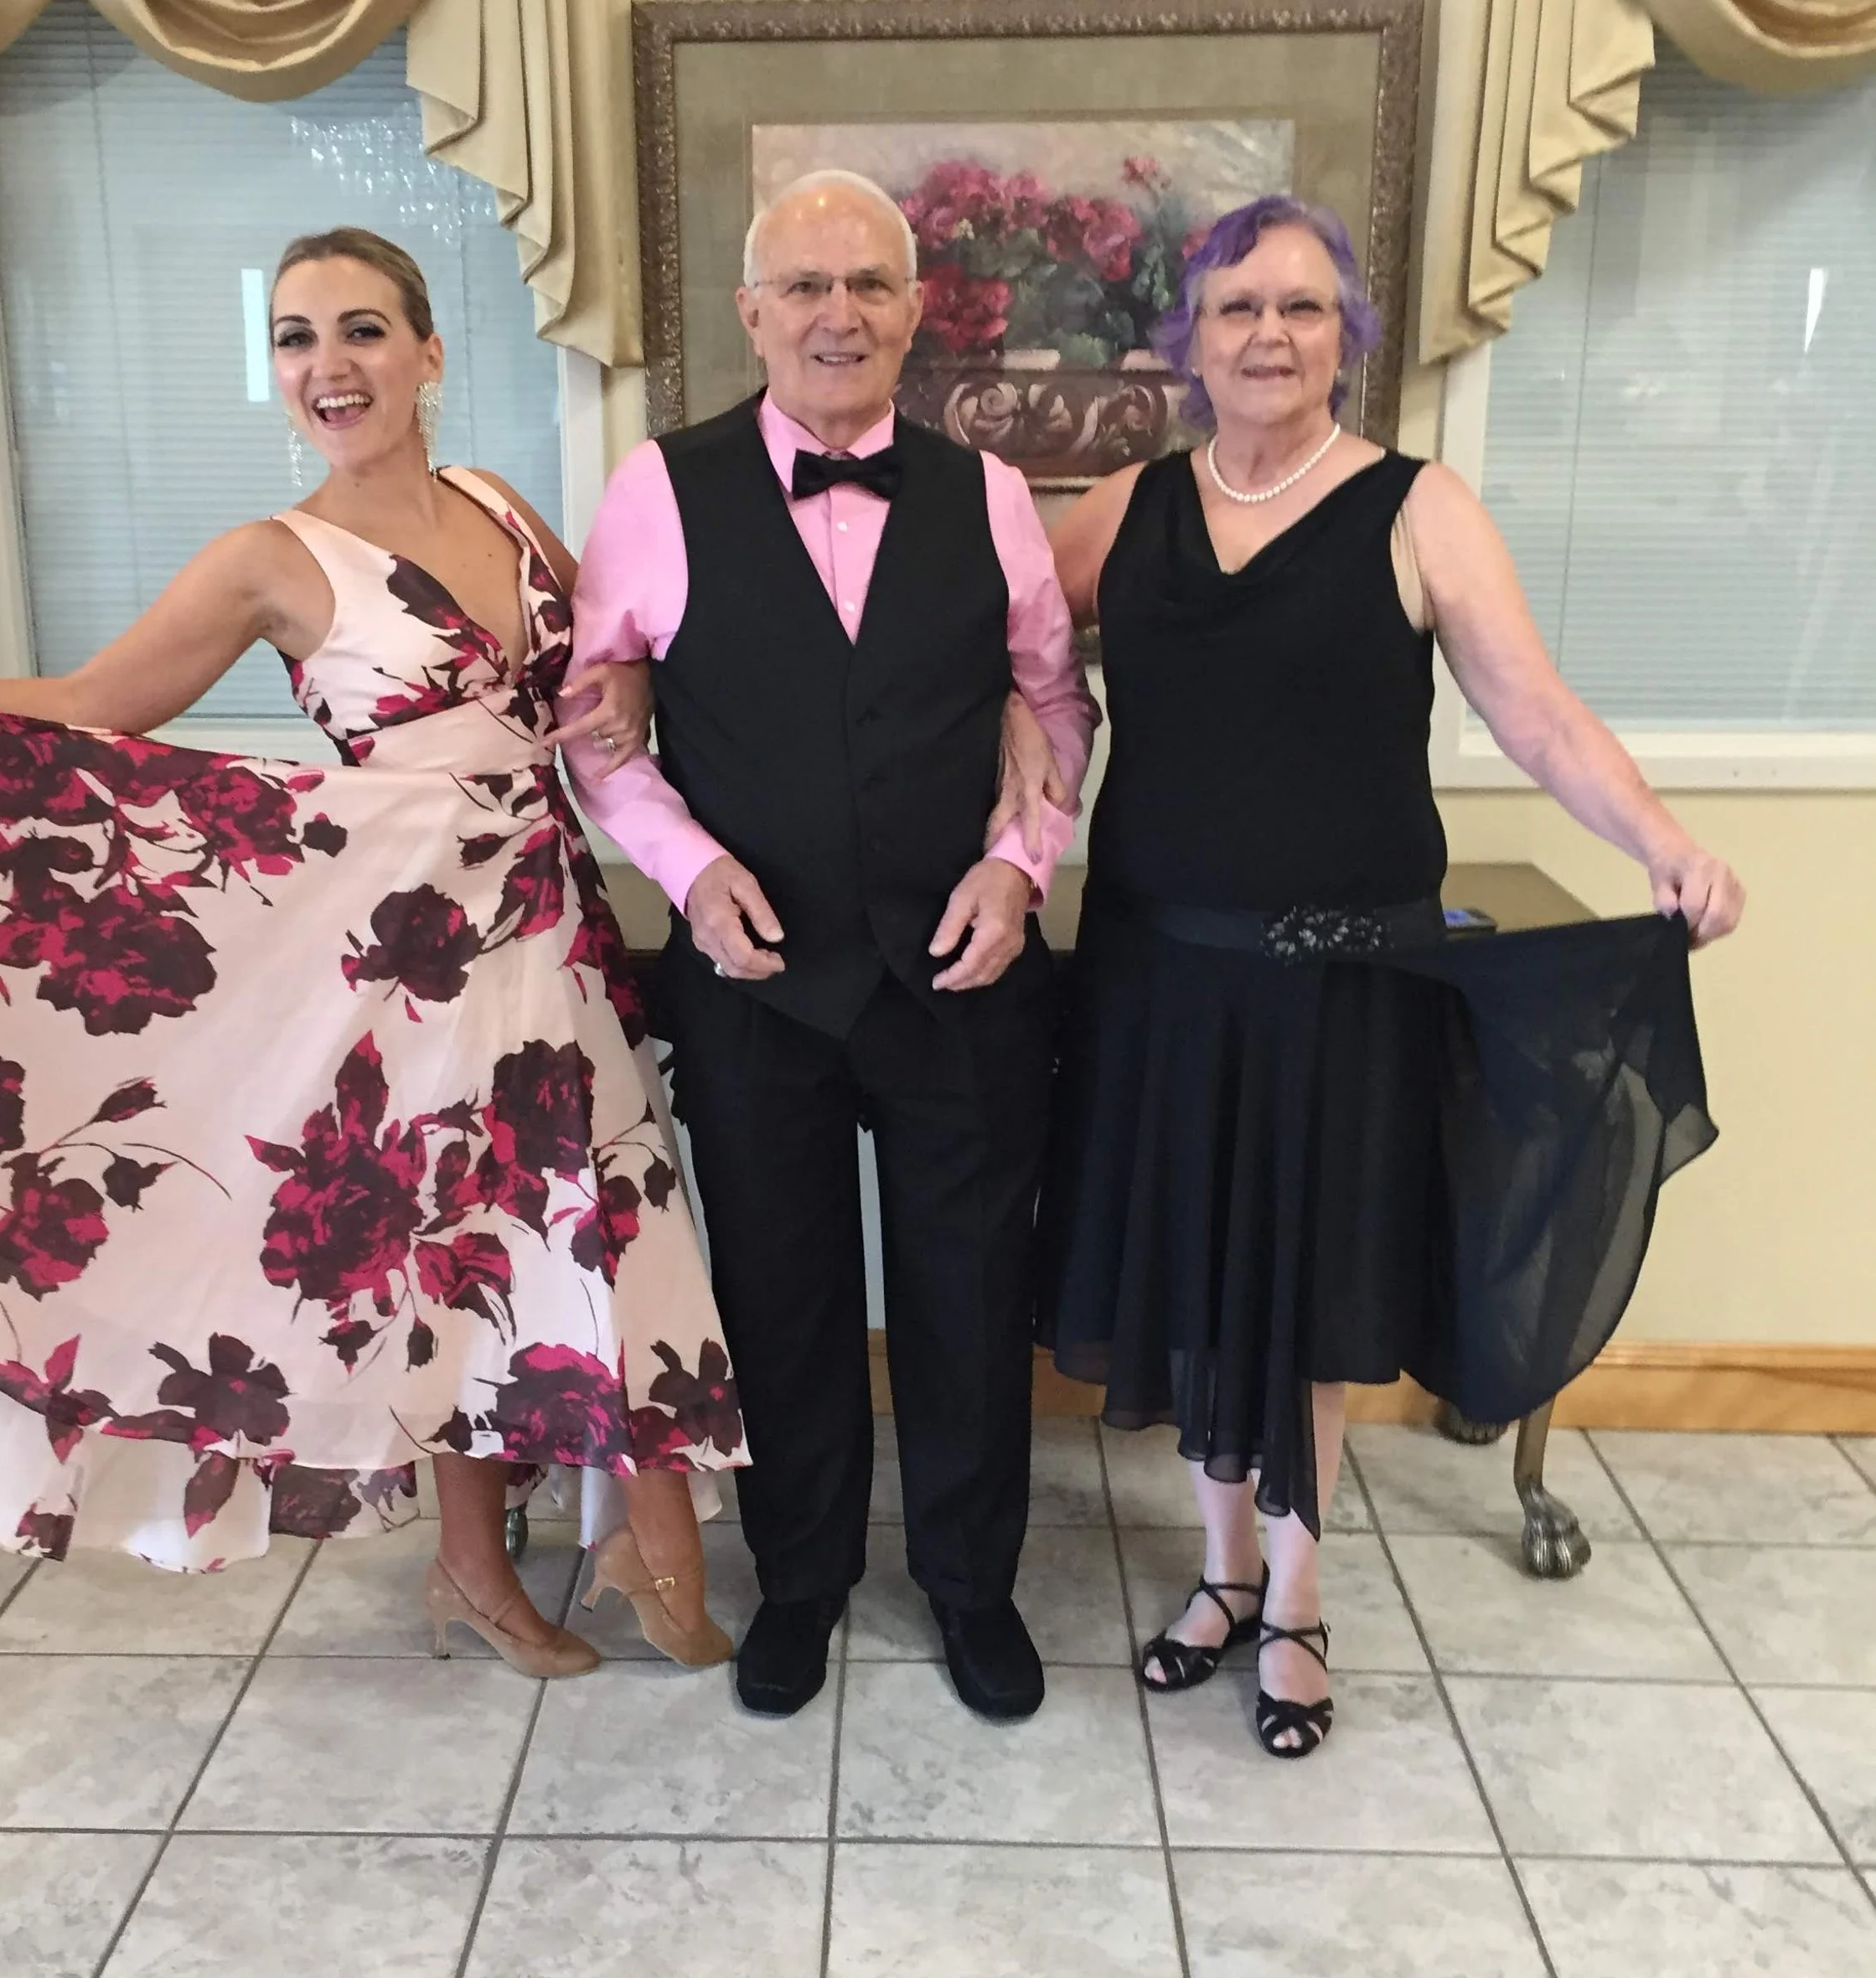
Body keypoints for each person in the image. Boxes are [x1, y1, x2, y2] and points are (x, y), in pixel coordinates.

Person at [0, 225, 742, 1676]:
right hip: (412, 966)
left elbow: (612, 661)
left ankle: (618, 1529)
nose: (328, 365)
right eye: (296, 338)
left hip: (549, 930)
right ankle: (488, 1564)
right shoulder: (270, 558)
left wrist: (620, 696)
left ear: (428, 352)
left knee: (579, 1228)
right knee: (445, 1262)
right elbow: (97, 702)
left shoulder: (503, 506)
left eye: (361, 331)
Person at [1041, 194, 1736, 1757]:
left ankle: (1294, 1597)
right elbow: (996, 654)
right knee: (1202, 1295)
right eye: (1236, 310)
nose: (1268, 336)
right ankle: (1217, 1578)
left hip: (1340, 990)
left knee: (1306, 1302)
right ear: (1190, 341)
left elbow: (1538, 716)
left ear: (1345, 333)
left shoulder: (1421, 510)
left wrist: (1663, 843)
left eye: (1300, 308)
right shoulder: (1123, 510)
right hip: (1160, 977)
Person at [565, 172, 1098, 1722]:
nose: (837, 314)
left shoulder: (994, 496)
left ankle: (969, 1586)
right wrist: (691, 866)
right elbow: (601, 731)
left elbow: (1055, 705)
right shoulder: (657, 491)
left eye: (867, 284)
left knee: (966, 1299)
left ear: (916, 307)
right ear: (752, 314)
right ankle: (799, 1582)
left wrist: (1019, 870)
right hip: (752, 980)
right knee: (782, 1296)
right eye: (805, 286)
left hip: (961, 971)